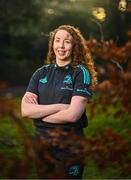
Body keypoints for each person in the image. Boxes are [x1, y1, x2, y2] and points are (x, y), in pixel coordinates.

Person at [21, 24, 97, 179]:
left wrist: (39, 113)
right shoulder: (40, 73)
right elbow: (25, 110)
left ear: (75, 45)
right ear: (52, 44)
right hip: (42, 143)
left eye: (67, 41)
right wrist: (59, 107)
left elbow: (72, 116)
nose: (61, 46)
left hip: (70, 146)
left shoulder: (80, 73)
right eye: (57, 40)